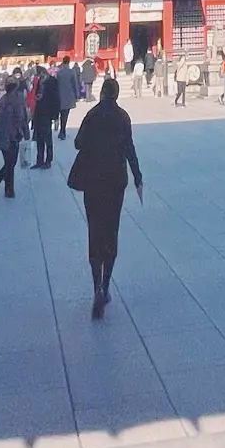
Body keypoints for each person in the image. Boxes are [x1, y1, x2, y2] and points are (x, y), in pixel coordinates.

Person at [70, 76, 144, 318]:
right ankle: (107, 285)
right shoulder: (123, 117)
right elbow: (130, 149)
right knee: (111, 231)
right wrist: (138, 177)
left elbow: (78, 142)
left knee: (95, 230)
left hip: (93, 180)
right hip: (115, 181)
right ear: (117, 94)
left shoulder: (92, 115)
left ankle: (96, 287)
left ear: (101, 92)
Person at [0, 71, 28, 198]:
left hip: (7, 135)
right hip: (11, 135)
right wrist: (25, 132)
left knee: (10, 162)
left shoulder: (3, 100)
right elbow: (23, 117)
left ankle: (0, 179)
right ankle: (8, 188)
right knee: (11, 163)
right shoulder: (16, 100)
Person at [32, 63, 61, 167]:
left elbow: (56, 98)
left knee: (47, 138)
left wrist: (56, 115)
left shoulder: (53, 81)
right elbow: (36, 93)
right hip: (39, 112)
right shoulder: (40, 81)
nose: (38, 77)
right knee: (39, 138)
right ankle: (39, 160)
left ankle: (48, 160)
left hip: (48, 113)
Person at [56, 54, 79, 138]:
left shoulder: (59, 72)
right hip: (69, 95)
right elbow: (75, 84)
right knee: (65, 114)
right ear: (69, 62)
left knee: (61, 113)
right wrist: (77, 95)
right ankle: (63, 130)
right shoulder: (71, 71)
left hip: (59, 95)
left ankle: (60, 128)